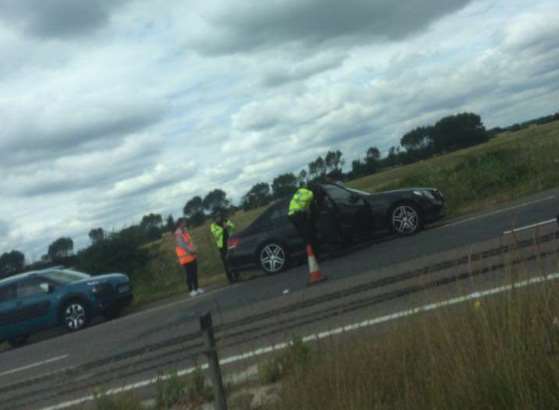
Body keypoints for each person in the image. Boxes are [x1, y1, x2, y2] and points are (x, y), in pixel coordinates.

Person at [288, 184, 321, 255]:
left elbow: (301, 203)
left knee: (304, 235)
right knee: (309, 234)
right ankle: (314, 254)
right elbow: (310, 208)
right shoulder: (311, 194)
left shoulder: (300, 191)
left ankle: (309, 253)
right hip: (298, 215)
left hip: (291, 215)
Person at [175, 218, 204, 297]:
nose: (185, 223)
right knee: (189, 274)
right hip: (186, 257)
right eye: (184, 222)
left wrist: (194, 249)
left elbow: (190, 242)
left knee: (194, 273)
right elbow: (182, 245)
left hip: (192, 255)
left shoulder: (185, 231)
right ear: (180, 224)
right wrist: (191, 251)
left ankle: (197, 288)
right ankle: (191, 290)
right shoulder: (178, 233)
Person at [210, 214, 237, 283]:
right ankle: (230, 279)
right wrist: (223, 229)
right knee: (225, 262)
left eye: (219, 217)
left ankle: (237, 276)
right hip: (222, 245)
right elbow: (216, 235)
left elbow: (233, 226)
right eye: (216, 217)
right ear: (214, 219)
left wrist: (228, 225)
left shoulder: (225, 221)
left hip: (230, 242)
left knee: (233, 259)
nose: (218, 218)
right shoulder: (213, 225)